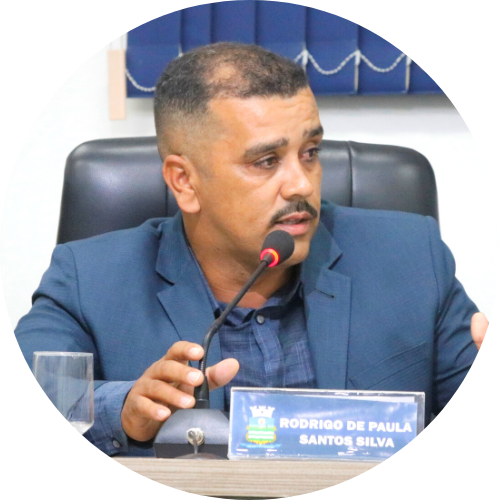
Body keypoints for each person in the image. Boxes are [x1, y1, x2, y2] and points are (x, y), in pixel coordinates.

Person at [14, 42, 487, 457]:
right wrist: (124, 411)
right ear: (184, 182)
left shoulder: (411, 257)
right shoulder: (89, 279)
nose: (301, 184)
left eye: (310, 152)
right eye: (265, 161)